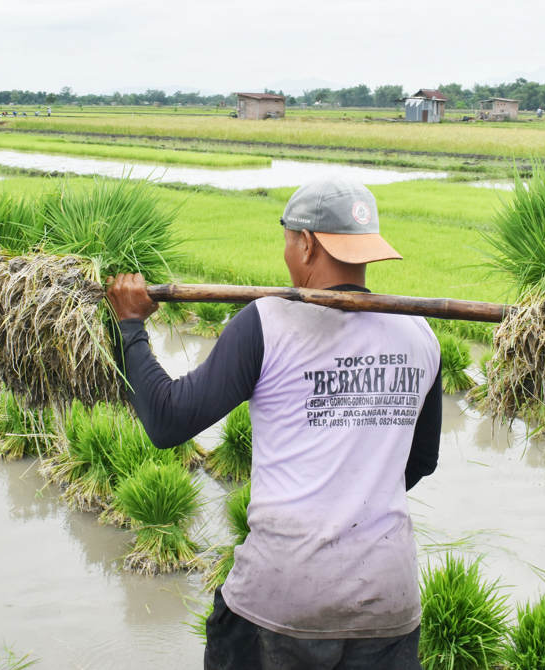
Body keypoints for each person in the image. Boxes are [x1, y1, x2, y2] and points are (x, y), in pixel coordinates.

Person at [107, 177, 442, 670]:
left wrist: (131, 327)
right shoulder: (420, 332)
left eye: (287, 237)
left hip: (282, 598)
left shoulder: (267, 322)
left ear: (306, 244)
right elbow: (420, 462)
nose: (286, 250)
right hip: (388, 601)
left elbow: (167, 420)